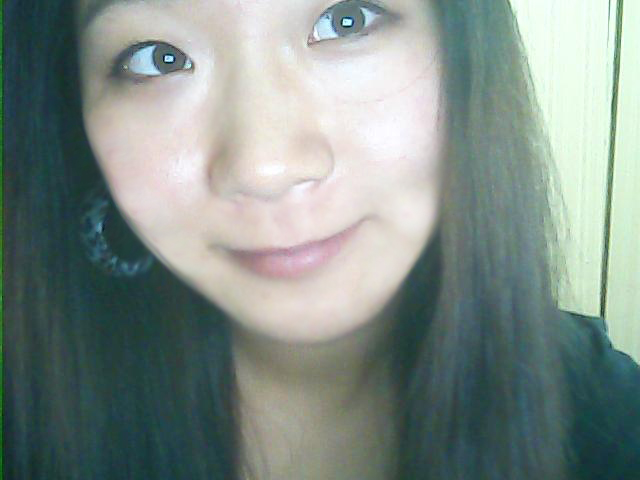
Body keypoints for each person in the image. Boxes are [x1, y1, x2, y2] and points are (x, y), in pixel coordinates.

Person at [4, 0, 639, 479]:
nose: (265, 167)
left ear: (466, 51)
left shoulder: (607, 426)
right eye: (158, 58)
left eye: (345, 21)